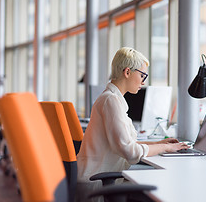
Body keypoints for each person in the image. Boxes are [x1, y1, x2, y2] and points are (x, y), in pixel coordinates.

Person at [75, 47, 189, 201]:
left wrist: (160, 143)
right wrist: (167, 147)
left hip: (99, 177)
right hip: (97, 182)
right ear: (127, 72)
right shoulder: (111, 101)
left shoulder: (112, 99)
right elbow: (130, 151)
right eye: (142, 75)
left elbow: (127, 143)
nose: (144, 81)